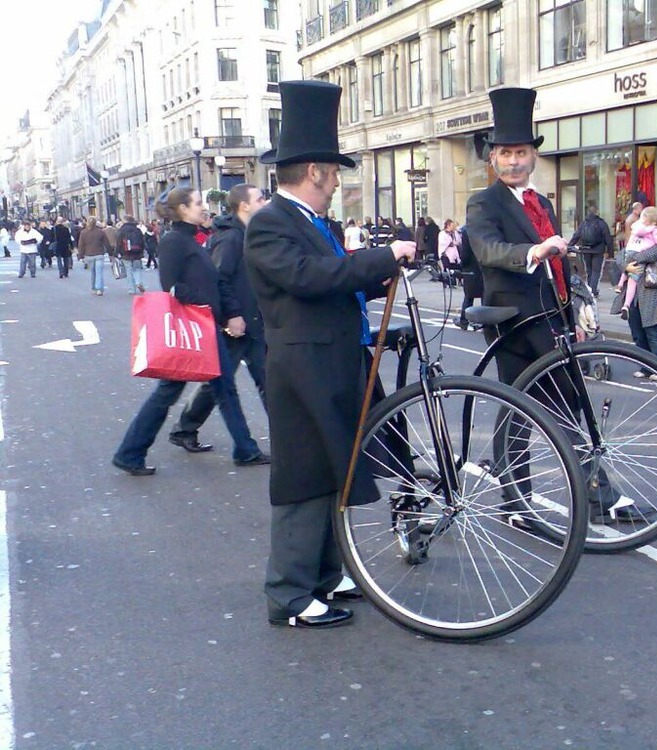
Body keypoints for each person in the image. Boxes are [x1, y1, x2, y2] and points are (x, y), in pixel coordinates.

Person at [244, 80, 415, 630]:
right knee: (302, 478)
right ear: (316, 171)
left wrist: (374, 282)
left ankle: (323, 575)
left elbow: (331, 284)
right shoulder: (272, 222)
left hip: (331, 362)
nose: (338, 181)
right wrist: (378, 258)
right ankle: (288, 594)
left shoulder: (313, 223)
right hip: (303, 368)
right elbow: (305, 277)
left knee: (330, 472)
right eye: (335, 172)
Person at [465, 86, 643, 523]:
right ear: (492, 158)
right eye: (504, 153)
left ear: (533, 156)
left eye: (520, 152)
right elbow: (487, 249)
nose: (512, 160)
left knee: (535, 406)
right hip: (513, 319)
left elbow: (557, 266)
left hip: (549, 316)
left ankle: (522, 500)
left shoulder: (540, 201)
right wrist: (533, 252)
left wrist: (571, 314)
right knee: (553, 403)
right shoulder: (483, 202)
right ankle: (589, 496)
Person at [112, 187, 270, 477]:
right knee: (170, 393)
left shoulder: (193, 239)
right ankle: (130, 452)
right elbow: (172, 287)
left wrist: (227, 313)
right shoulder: (174, 241)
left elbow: (214, 281)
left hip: (206, 326)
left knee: (224, 391)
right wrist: (209, 305)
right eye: (198, 203)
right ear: (183, 209)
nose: (204, 207)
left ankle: (245, 450)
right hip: (193, 328)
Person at [168, 184, 270, 451]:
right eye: (260, 199)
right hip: (237, 323)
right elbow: (219, 279)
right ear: (244, 206)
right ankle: (186, 429)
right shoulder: (231, 238)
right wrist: (233, 315)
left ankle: (186, 429)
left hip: (253, 321)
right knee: (221, 383)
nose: (265, 202)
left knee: (265, 380)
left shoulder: (249, 233)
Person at [621, 207, 657, 367]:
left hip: (653, 293)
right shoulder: (639, 237)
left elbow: (638, 256)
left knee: (653, 333)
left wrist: (627, 262)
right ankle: (645, 367)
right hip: (635, 294)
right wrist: (626, 266)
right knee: (638, 334)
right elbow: (621, 257)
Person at [568, 203, 614, 299]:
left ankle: (589, 290)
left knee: (589, 271)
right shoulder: (602, 223)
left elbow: (576, 235)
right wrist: (611, 253)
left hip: (586, 250)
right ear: (597, 212)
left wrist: (569, 246)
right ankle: (593, 291)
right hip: (598, 251)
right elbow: (608, 239)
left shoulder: (584, 223)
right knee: (596, 272)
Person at [452, 225, 484, 330]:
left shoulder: (467, 231)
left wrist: (462, 263)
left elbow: (465, 254)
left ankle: (464, 320)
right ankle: (486, 323)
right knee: (485, 295)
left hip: (471, 268)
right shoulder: (484, 227)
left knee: (469, 296)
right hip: (483, 267)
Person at [77, 217, 113, 295]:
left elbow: (81, 245)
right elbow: (107, 244)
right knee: (99, 272)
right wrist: (110, 254)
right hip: (99, 254)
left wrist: (81, 256)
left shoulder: (83, 232)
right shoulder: (100, 232)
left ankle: (94, 288)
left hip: (89, 254)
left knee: (93, 272)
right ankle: (99, 288)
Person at [118, 215, 146, 295]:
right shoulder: (137, 230)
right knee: (137, 269)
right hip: (137, 253)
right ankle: (138, 282)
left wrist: (117, 252)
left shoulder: (122, 230)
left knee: (129, 270)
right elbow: (142, 241)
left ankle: (132, 289)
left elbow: (119, 242)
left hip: (126, 253)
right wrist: (141, 252)